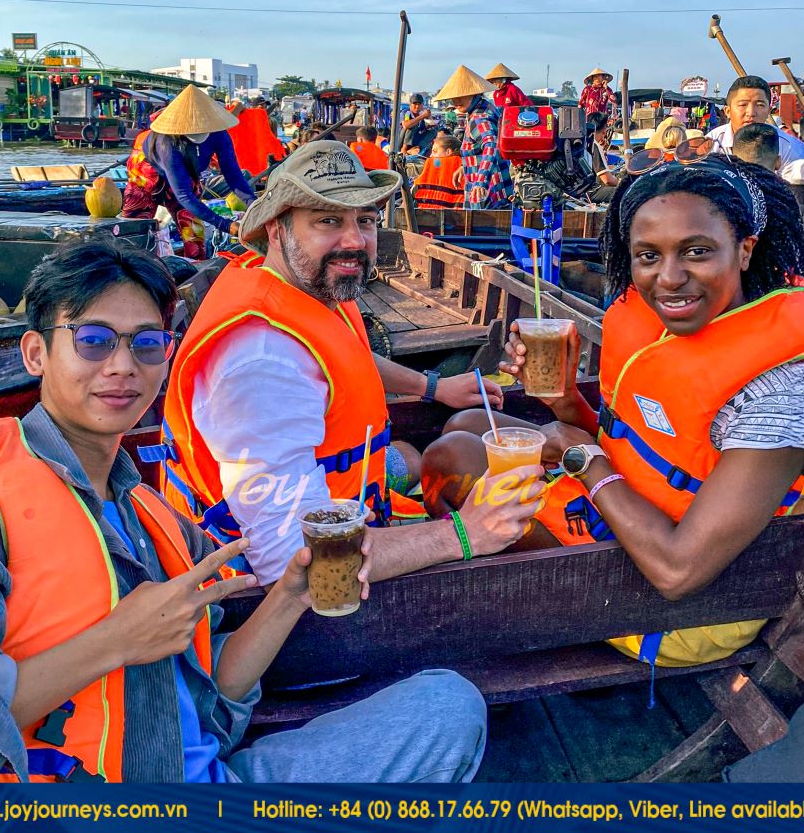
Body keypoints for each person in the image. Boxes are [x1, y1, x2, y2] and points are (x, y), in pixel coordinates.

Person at [0, 236, 487, 784]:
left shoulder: (146, 511)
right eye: (93, 341)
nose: (123, 367)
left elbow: (215, 703)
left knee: (449, 708)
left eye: (148, 344)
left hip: (208, 777)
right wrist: (112, 643)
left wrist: (291, 592)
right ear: (36, 354)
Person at [424, 154, 804, 667]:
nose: (669, 278)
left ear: (745, 250)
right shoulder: (660, 323)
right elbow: (636, 448)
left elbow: (678, 572)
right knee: (464, 430)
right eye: (648, 256)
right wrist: (563, 402)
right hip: (623, 513)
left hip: (681, 605)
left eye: (696, 251)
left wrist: (583, 459)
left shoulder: (791, 386)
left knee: (449, 459)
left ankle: (509, 617)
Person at [161, 141, 546, 587]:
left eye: (365, 221)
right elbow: (298, 564)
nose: (354, 241)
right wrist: (466, 534)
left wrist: (432, 387)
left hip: (343, 495)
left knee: (416, 453)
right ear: (275, 230)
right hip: (275, 589)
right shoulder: (261, 361)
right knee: (472, 483)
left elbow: (348, 356)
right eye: (327, 220)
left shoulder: (305, 288)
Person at [122, 85, 256, 258]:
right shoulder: (166, 143)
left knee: (195, 243)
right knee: (135, 239)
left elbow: (234, 176)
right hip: (147, 175)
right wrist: (226, 225)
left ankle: (192, 270)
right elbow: (184, 196)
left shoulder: (219, 135)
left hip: (186, 172)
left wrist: (256, 207)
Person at [706, 76, 804, 179]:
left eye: (759, 105)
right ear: (727, 111)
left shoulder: (788, 147)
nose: (751, 112)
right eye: (743, 104)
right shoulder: (711, 144)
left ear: (769, 111)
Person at [432, 65, 513, 210]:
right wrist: (465, 167)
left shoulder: (479, 117)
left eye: (461, 96)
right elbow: (480, 150)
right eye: (453, 97)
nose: (456, 101)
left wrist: (480, 181)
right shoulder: (486, 107)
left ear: (474, 94)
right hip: (499, 188)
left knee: (481, 230)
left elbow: (491, 145)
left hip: (487, 192)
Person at [227, 99, 286, 177]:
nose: (263, 108)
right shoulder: (247, 121)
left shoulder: (265, 120)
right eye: (261, 106)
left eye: (265, 106)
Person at [413, 133, 464, 209]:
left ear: (448, 152)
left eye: (435, 151)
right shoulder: (465, 165)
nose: (431, 156)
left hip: (427, 214)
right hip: (457, 215)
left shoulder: (433, 163)